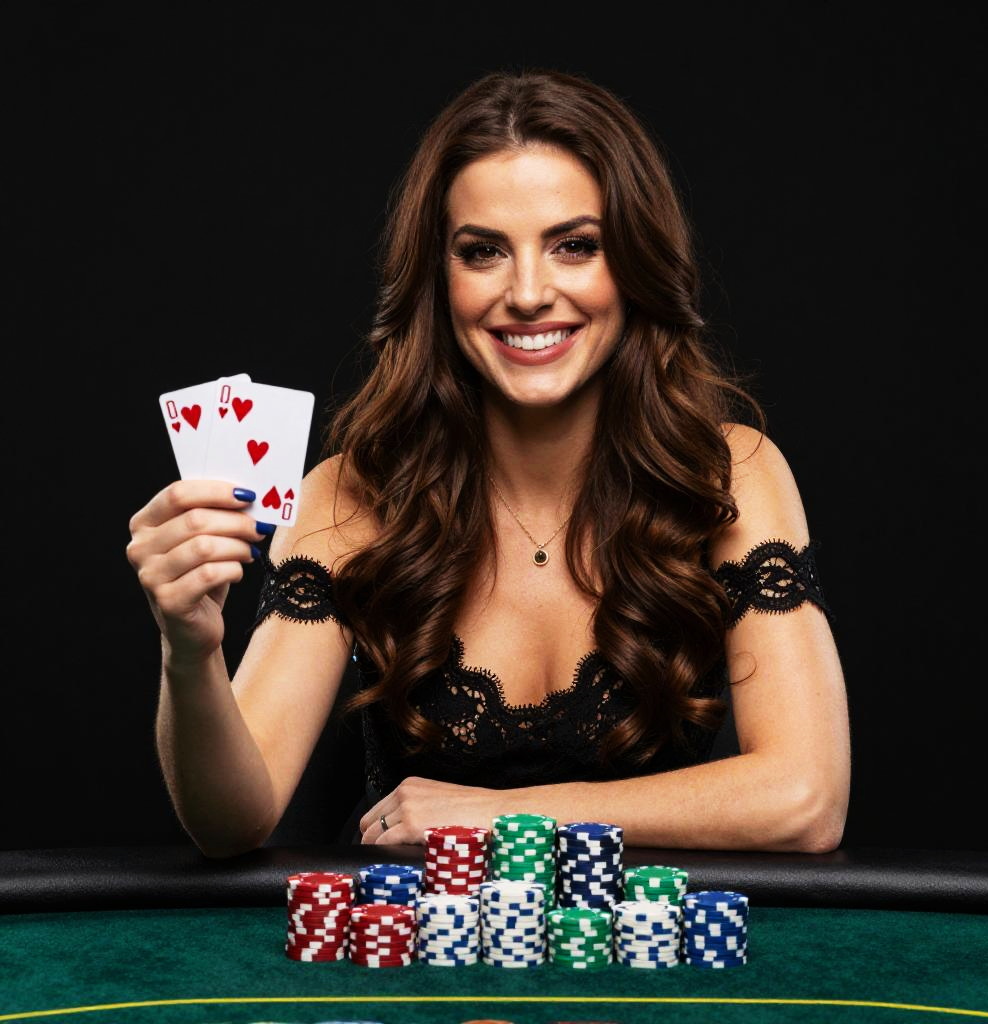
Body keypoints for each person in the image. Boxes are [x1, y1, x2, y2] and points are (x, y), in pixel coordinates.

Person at [126, 67, 850, 859]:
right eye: (484, 252)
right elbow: (234, 821)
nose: (530, 293)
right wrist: (189, 649)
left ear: (635, 264)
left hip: (639, 969)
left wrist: (505, 816)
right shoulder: (350, 496)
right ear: (439, 280)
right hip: (412, 970)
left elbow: (805, 799)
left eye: (576, 246)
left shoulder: (731, 473)